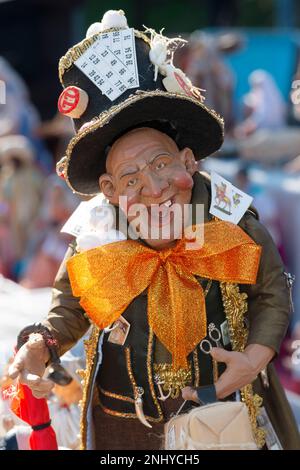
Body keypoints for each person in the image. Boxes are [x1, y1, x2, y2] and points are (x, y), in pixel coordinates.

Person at [8, 10, 300, 450]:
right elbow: (69, 307)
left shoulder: (229, 217)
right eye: (130, 178)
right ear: (108, 189)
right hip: (121, 426)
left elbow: (272, 291)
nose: (154, 187)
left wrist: (253, 358)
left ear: (188, 160)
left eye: (162, 164)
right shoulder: (96, 231)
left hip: (219, 420)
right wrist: (39, 345)